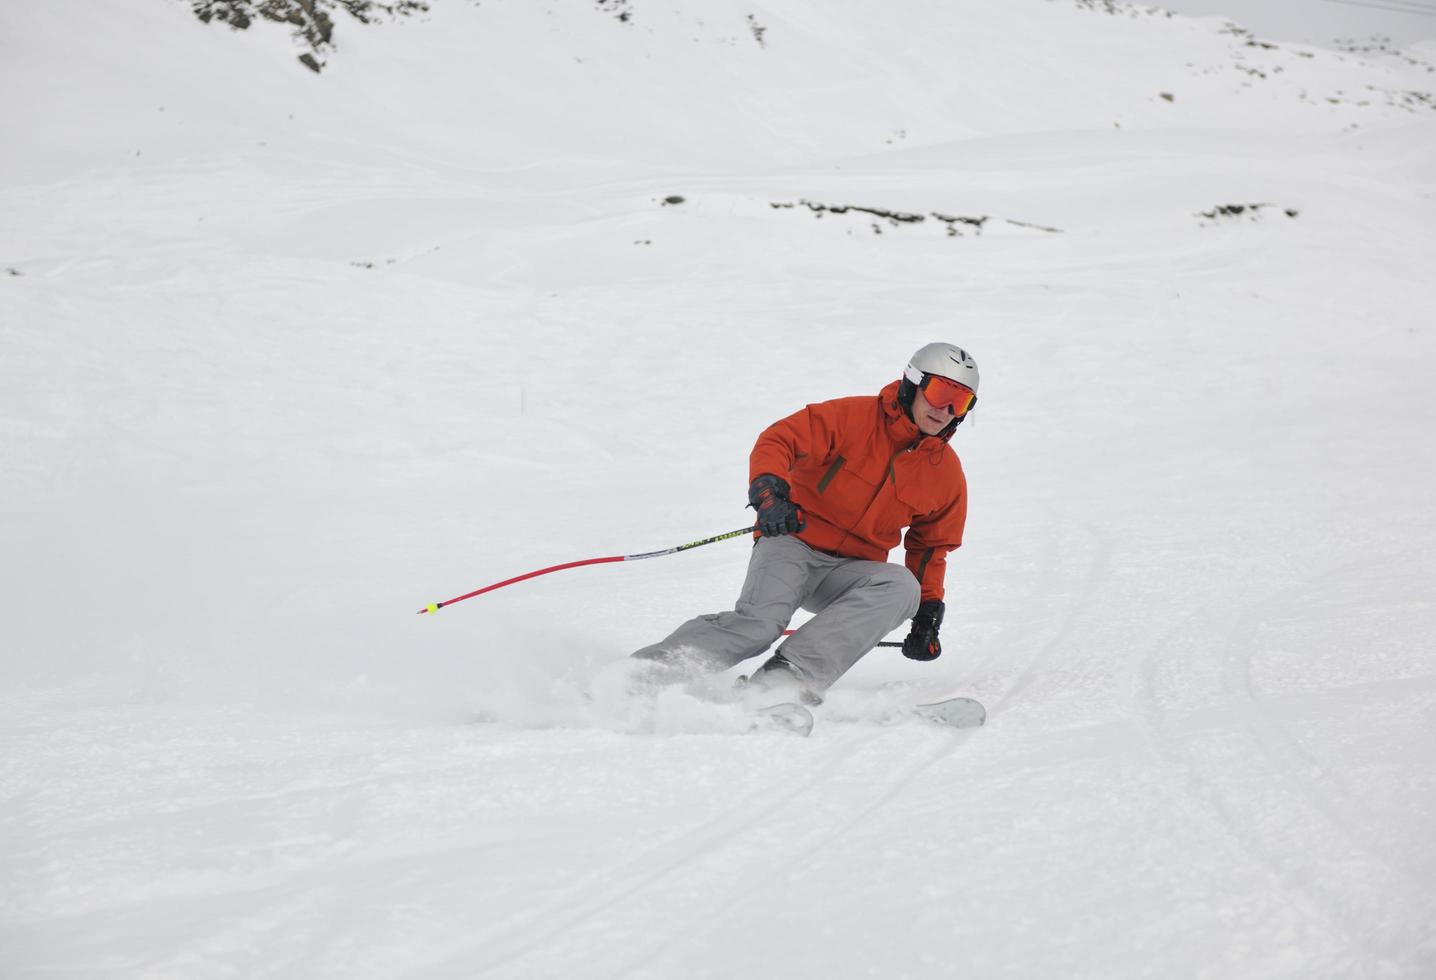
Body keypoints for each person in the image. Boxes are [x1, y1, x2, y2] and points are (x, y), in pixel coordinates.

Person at [631, 342, 977, 704]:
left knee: (902, 587)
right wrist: (770, 495)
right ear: (912, 383)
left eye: (962, 401)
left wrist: (926, 615)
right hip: (791, 541)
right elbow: (779, 440)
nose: (946, 410)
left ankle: (787, 677)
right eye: (941, 392)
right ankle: (649, 674)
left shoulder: (946, 475)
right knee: (760, 626)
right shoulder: (852, 418)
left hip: (852, 571)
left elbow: (930, 548)